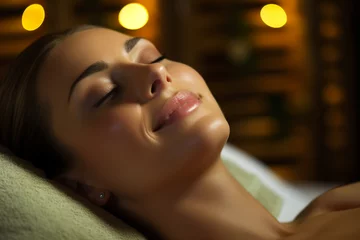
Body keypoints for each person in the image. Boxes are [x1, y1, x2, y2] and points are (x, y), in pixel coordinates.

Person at [1, 25, 360, 240]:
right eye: (106, 94)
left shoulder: (336, 204)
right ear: (79, 186)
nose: (156, 75)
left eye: (152, 57)